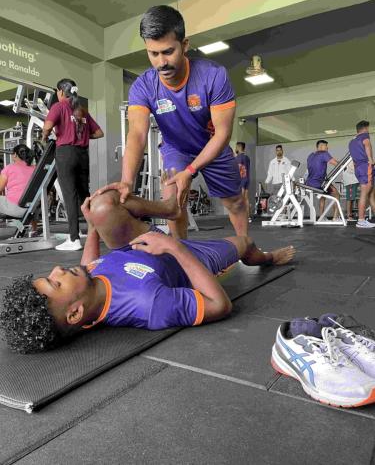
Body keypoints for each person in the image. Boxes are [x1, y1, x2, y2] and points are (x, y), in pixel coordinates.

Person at [0, 188, 295, 354]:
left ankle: (170, 209)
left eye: (50, 276)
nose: (56, 269)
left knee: (102, 205)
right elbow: (220, 305)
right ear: (75, 313)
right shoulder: (146, 304)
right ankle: (267, 258)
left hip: (145, 241)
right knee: (245, 243)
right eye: (56, 283)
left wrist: (92, 227)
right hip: (186, 258)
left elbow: (90, 264)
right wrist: (175, 247)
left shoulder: (88, 288)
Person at [95, 5, 247, 239]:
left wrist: (191, 170)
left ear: (184, 45)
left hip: (212, 146)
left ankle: (246, 249)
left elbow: (223, 133)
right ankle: (181, 258)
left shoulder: (213, 75)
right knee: (173, 205)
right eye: (153, 54)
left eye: (167, 52)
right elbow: (136, 134)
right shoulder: (143, 86)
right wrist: (126, 182)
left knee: (235, 202)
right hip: (176, 148)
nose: (161, 62)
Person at [42, 78, 104, 251]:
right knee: (85, 195)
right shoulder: (81, 110)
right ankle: (97, 232)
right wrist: (82, 136)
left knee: (70, 195)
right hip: (83, 155)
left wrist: (44, 138)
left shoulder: (58, 107)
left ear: (61, 91)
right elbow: (99, 133)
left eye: (57, 92)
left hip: (66, 154)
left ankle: (74, 239)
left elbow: (47, 127)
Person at [0, 144, 38, 234]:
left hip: (14, 208)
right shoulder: (35, 169)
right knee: (31, 198)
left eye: (12, 153)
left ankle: (24, 228)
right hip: (31, 210)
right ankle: (34, 230)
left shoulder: (9, 168)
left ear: (15, 155)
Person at [348, 120, 375, 229]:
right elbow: (367, 145)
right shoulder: (364, 135)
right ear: (364, 128)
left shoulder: (351, 141)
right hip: (365, 166)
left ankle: (364, 219)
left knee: (371, 193)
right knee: (365, 193)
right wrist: (371, 160)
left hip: (359, 168)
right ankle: (361, 220)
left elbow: (353, 159)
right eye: (368, 128)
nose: (368, 130)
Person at [306, 140, 339, 220]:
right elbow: (336, 164)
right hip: (319, 183)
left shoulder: (310, 155)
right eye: (325, 146)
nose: (327, 147)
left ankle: (321, 217)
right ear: (320, 146)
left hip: (310, 183)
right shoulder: (324, 154)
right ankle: (335, 217)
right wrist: (347, 166)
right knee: (336, 194)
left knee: (322, 196)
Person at [235, 142, 251, 220]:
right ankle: (248, 217)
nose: (235, 148)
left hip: (241, 180)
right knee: (246, 199)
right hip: (246, 180)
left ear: (239, 147)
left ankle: (241, 218)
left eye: (236, 147)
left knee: (240, 200)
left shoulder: (238, 158)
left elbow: (239, 170)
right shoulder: (247, 157)